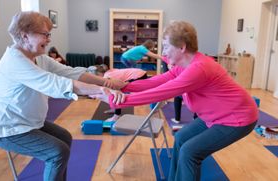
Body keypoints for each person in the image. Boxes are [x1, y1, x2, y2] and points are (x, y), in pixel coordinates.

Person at [92, 20, 258, 181]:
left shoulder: (199, 68)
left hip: (236, 119)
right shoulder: (182, 66)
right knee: (180, 139)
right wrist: (125, 86)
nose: (162, 52)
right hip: (214, 116)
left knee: (190, 152)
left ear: (182, 47)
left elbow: (162, 92)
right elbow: (156, 82)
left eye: (165, 46)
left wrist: (117, 100)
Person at [0, 11, 125, 181]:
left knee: (65, 138)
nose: (49, 39)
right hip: (7, 128)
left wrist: (106, 82)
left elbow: (70, 73)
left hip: (27, 121)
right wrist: (102, 91)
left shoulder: (38, 57)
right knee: (57, 152)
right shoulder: (15, 61)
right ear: (25, 36)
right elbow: (56, 83)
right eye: (45, 34)